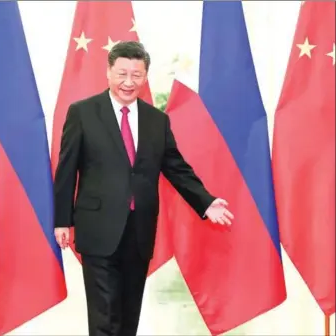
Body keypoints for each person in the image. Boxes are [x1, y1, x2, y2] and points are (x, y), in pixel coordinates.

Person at [53, 41, 234, 336]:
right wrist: (62, 220)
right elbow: (66, 168)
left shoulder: (156, 120)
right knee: (105, 316)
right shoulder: (83, 113)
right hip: (98, 228)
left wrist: (206, 202)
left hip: (139, 230)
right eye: (122, 73)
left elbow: (176, 168)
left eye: (136, 75)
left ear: (145, 76)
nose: (128, 82)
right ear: (108, 72)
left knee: (128, 315)